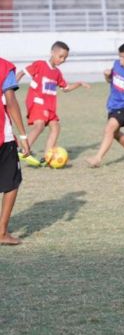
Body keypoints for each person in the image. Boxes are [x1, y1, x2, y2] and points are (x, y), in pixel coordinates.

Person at [16, 41, 90, 166]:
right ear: (52, 52)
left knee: (56, 126)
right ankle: (24, 150)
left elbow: (65, 88)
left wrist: (79, 84)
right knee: (39, 125)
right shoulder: (40, 65)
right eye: (60, 56)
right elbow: (21, 72)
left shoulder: (57, 73)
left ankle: (47, 156)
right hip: (36, 101)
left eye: (65, 58)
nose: (62, 60)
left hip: (49, 106)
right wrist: (12, 85)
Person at [0, 57, 32, 245]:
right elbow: (10, 100)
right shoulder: (4, 66)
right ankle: (2, 233)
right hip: (3, 136)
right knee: (12, 182)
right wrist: (23, 136)